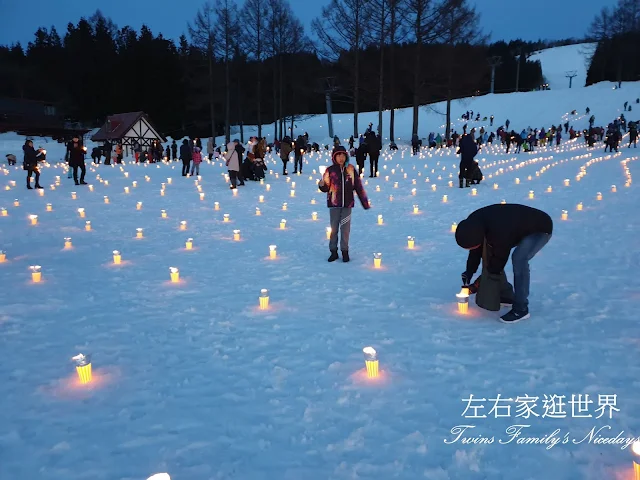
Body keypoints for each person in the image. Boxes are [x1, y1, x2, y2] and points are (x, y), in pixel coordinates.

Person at [455, 204, 553, 323]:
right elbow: (476, 250)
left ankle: (521, 309)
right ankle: (506, 296)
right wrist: (469, 271)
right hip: (516, 226)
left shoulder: (499, 232)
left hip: (540, 229)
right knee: (491, 258)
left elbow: (498, 261)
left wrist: (479, 284)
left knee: (519, 259)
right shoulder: (472, 224)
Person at [317, 146, 370, 263]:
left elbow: (358, 187)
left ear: (346, 157)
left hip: (347, 204)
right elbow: (325, 187)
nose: (341, 158)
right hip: (334, 204)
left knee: (345, 229)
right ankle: (333, 251)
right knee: (334, 229)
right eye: (338, 156)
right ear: (334, 157)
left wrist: (365, 203)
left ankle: (345, 251)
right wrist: (321, 184)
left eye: (343, 155)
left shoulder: (350, 169)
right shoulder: (330, 170)